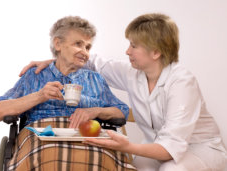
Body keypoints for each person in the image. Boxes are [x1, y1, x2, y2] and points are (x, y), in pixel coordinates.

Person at [20, 13, 227, 170]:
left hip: (198, 148)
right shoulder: (133, 73)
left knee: (171, 169)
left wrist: (124, 146)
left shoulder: (182, 82)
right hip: (157, 145)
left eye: (134, 45)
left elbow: (170, 147)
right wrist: (55, 60)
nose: (127, 51)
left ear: (156, 52)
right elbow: (92, 62)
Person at [0, 16, 136, 171]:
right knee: (48, 157)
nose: (85, 52)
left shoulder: (95, 79)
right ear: (58, 44)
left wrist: (96, 111)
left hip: (86, 136)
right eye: (78, 44)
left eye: (88, 47)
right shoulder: (35, 75)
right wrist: (40, 96)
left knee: (99, 158)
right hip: (42, 138)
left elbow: (122, 111)